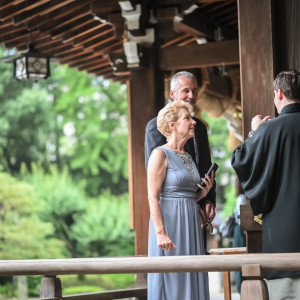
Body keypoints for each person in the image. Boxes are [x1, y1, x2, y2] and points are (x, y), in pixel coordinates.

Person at [231, 69, 300, 300]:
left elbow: (240, 159)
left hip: (283, 240)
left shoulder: (268, 130)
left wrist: (255, 132)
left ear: (278, 94)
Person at [147, 100, 215, 300]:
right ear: (172, 125)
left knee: (192, 275)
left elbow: (187, 195)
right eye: (187, 118)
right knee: (171, 280)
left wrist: (203, 193)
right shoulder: (160, 154)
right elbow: (152, 195)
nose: (193, 122)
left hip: (191, 224)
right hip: (170, 225)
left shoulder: (188, 156)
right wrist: (160, 233)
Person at [145, 71, 216, 224]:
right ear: (172, 93)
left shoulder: (200, 127)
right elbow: (154, 176)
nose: (191, 95)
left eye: (195, 91)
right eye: (186, 91)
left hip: (201, 210)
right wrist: (189, 202)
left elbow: (205, 165)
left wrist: (208, 201)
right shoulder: (154, 127)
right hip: (172, 210)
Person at [232, 178, 245, 293]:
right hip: (242, 232)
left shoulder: (239, 198)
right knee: (242, 260)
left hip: (239, 231)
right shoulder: (242, 198)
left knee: (240, 261)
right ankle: (242, 289)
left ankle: (242, 289)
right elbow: (242, 219)